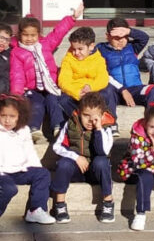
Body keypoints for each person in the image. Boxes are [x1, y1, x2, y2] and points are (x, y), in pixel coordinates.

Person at [0, 95, 56, 225]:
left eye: (12, 116)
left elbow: (30, 152)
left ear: (20, 116)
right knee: (9, 189)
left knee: (43, 173)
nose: (7, 120)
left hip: (18, 170)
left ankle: (36, 210)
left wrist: (36, 168)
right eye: (3, 115)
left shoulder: (24, 130)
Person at [9, 4, 83, 142]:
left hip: (50, 86)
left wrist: (72, 18)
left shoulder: (45, 44)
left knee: (53, 101)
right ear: (19, 35)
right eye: (25, 35)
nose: (29, 39)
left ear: (38, 34)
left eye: (33, 35)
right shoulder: (17, 52)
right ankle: (34, 129)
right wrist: (16, 94)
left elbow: (58, 33)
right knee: (36, 104)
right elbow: (17, 75)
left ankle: (58, 127)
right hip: (32, 88)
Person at [47, 91, 116, 224]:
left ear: (102, 115)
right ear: (79, 112)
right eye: (86, 115)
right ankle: (59, 204)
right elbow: (57, 146)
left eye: (95, 117)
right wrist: (76, 157)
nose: (90, 120)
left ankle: (108, 201)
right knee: (64, 164)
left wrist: (98, 129)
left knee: (102, 162)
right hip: (77, 169)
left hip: (95, 171)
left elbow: (103, 151)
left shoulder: (106, 128)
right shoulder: (71, 123)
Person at [117, 104, 154, 231]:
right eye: (152, 127)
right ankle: (141, 213)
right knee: (145, 176)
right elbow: (138, 163)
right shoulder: (137, 137)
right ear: (145, 123)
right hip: (135, 171)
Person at [97, 17, 154, 133]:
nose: (121, 40)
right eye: (116, 38)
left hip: (135, 89)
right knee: (106, 90)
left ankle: (152, 125)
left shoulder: (132, 47)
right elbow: (102, 74)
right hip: (115, 91)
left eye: (124, 37)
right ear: (108, 36)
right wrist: (122, 89)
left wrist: (129, 31)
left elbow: (144, 37)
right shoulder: (101, 49)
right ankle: (111, 124)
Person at [57, 26, 110, 122]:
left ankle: (104, 121)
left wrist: (91, 87)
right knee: (62, 100)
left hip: (92, 92)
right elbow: (63, 81)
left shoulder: (98, 59)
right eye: (73, 49)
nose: (76, 52)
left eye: (80, 49)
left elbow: (103, 78)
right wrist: (77, 92)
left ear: (91, 46)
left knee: (107, 94)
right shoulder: (68, 59)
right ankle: (78, 121)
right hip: (75, 93)